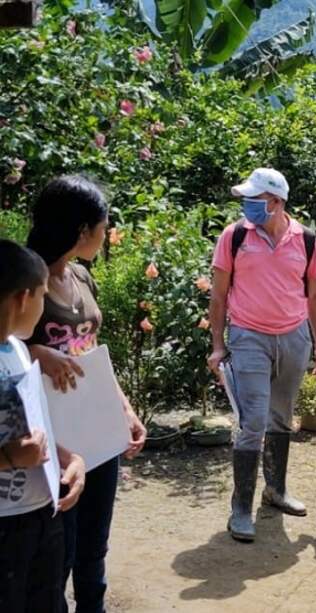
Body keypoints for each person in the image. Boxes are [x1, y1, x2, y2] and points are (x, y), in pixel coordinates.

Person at [24, 176, 146, 613]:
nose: (105, 229)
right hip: (52, 433)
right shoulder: (22, 274)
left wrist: (125, 410)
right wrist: (38, 352)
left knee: (95, 542)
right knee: (59, 545)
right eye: (103, 222)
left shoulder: (81, 276)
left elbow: (91, 351)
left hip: (96, 427)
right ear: (81, 230)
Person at [207, 167, 316, 542]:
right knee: (253, 419)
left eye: (254, 199)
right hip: (248, 337)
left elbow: (315, 295)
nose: (247, 205)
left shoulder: (305, 240)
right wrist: (217, 344)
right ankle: (241, 509)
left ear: (275, 202)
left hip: (294, 338)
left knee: (281, 417)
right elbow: (218, 293)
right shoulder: (235, 235)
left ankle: (275, 491)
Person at [0, 239, 86, 613]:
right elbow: (18, 449)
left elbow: (37, 424)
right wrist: (8, 456)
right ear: (22, 298)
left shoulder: (19, 349)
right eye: (41, 296)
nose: (43, 305)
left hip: (40, 512)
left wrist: (69, 459)